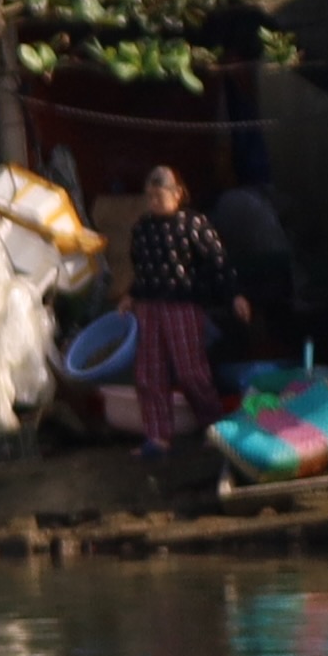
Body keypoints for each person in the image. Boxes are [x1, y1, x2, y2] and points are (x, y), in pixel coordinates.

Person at [125, 163, 236, 453]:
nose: (153, 202)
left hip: (182, 306)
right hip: (149, 307)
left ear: (177, 194)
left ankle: (214, 427)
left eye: (158, 196)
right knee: (150, 373)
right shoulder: (142, 228)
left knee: (191, 371)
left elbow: (218, 263)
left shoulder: (193, 224)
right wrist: (130, 297)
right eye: (149, 197)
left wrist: (234, 295)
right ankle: (157, 437)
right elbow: (141, 269)